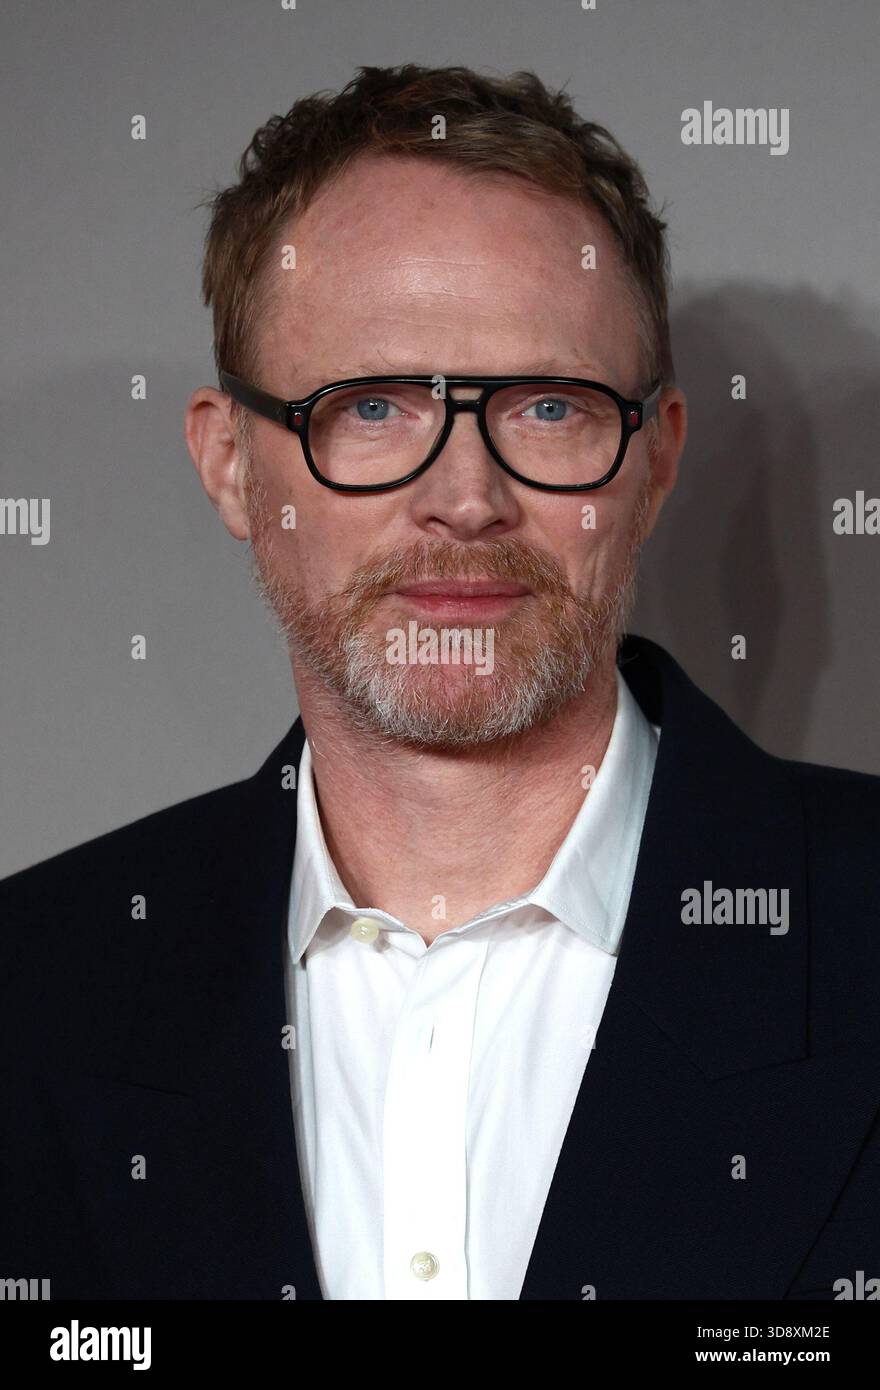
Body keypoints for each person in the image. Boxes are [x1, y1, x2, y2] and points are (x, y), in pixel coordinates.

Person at [2, 64, 878, 1302]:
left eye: (548, 409)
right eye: (369, 408)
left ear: (656, 460)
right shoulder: (35, 987)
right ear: (231, 466)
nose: (465, 498)